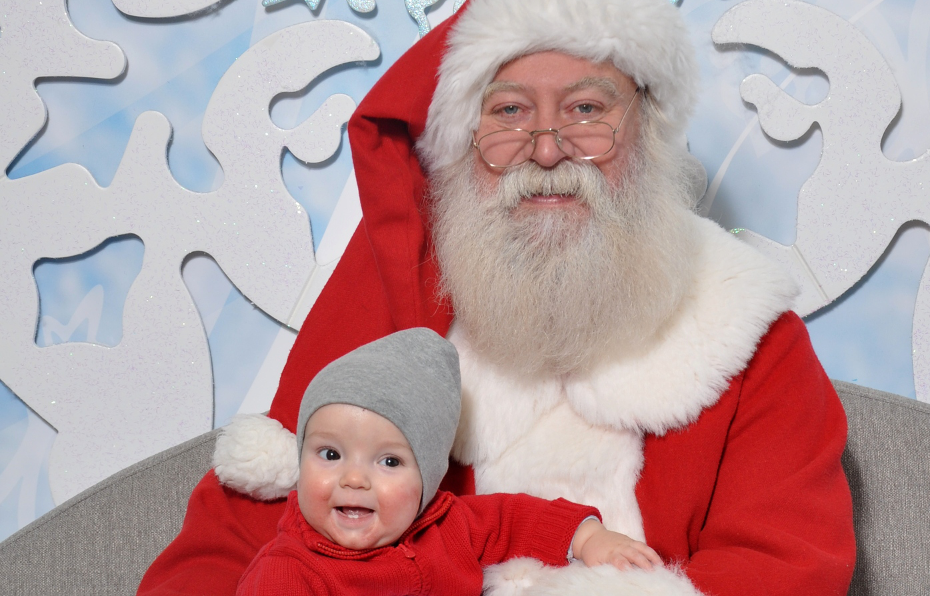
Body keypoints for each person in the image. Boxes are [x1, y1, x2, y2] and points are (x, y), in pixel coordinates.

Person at [139, 1, 856, 595]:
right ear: (461, 140)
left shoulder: (743, 328)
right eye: (509, 112)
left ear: (647, 131)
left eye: (586, 109)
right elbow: (217, 559)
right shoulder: (395, 302)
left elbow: (787, 568)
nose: (546, 150)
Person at [235, 328, 662, 595]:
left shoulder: (447, 524)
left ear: (427, 478)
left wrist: (589, 539)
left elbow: (516, 518)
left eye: (389, 461)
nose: (354, 478)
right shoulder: (288, 574)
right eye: (331, 454)